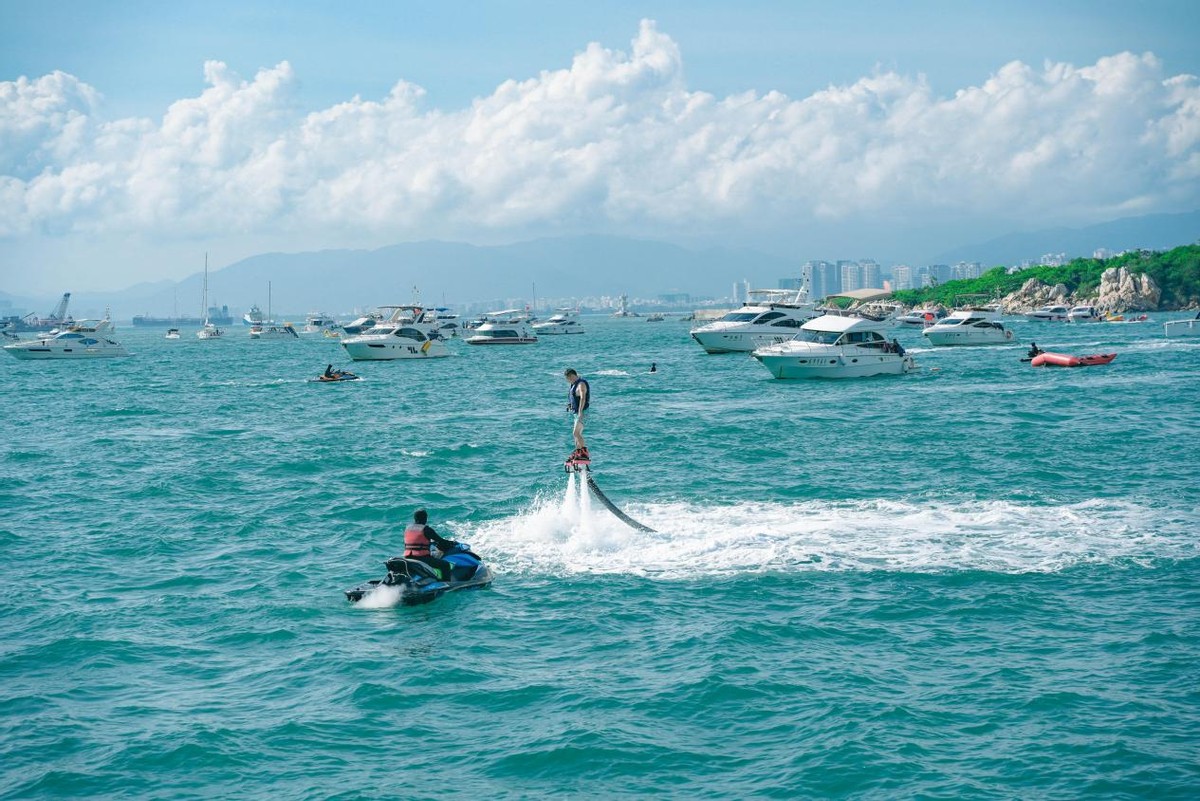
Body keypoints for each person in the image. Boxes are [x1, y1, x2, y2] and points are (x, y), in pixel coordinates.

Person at [403, 509, 457, 582]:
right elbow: (441, 541)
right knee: (445, 565)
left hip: (408, 557)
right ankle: (446, 584)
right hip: (421, 558)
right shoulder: (426, 529)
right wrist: (452, 543)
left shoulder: (407, 529)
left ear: (415, 518)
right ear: (425, 518)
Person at [564, 368, 590, 462]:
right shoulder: (574, 384)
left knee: (576, 433)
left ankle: (584, 453)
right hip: (576, 413)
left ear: (571, 376)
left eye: (568, 378)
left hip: (583, 413)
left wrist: (580, 412)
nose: (568, 381)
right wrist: (570, 405)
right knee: (576, 434)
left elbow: (583, 398)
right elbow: (575, 397)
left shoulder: (581, 384)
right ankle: (578, 452)